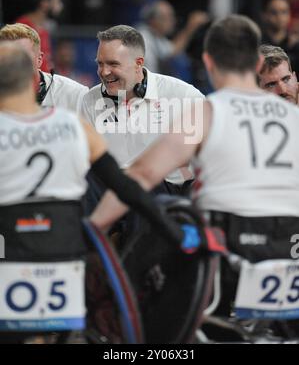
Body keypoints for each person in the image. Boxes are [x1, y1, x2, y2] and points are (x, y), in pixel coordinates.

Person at [91, 15, 299, 333]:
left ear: (208, 61)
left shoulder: (207, 112)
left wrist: (94, 226)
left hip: (230, 245)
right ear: (257, 62)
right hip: (289, 243)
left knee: (163, 319)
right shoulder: (292, 116)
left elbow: (144, 174)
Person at [0, 41, 198, 343]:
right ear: (31, 81)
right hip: (67, 252)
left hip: (12, 250)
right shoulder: (73, 125)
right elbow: (127, 189)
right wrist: (174, 232)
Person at [81, 24, 205, 193]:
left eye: (112, 64)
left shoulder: (184, 96)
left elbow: (210, 155)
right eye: (100, 64)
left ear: (138, 64)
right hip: (110, 191)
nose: (104, 72)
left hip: (163, 192)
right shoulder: (90, 100)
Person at [0, 23, 88, 113]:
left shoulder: (74, 94)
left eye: (23, 56)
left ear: (39, 59)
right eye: (6, 57)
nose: (14, 63)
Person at [137, 0, 209, 75]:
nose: (173, 21)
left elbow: (173, 49)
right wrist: (191, 26)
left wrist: (192, 26)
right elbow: (147, 74)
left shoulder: (154, 35)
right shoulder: (143, 38)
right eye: (169, 17)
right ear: (154, 20)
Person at [16, 0, 63, 72]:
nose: (59, 6)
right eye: (56, 1)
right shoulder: (23, 27)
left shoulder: (44, 31)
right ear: (44, 3)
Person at [261, 0, 299, 76]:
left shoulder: (295, 46)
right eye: (274, 12)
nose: (279, 17)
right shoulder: (257, 46)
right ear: (264, 14)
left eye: (284, 11)